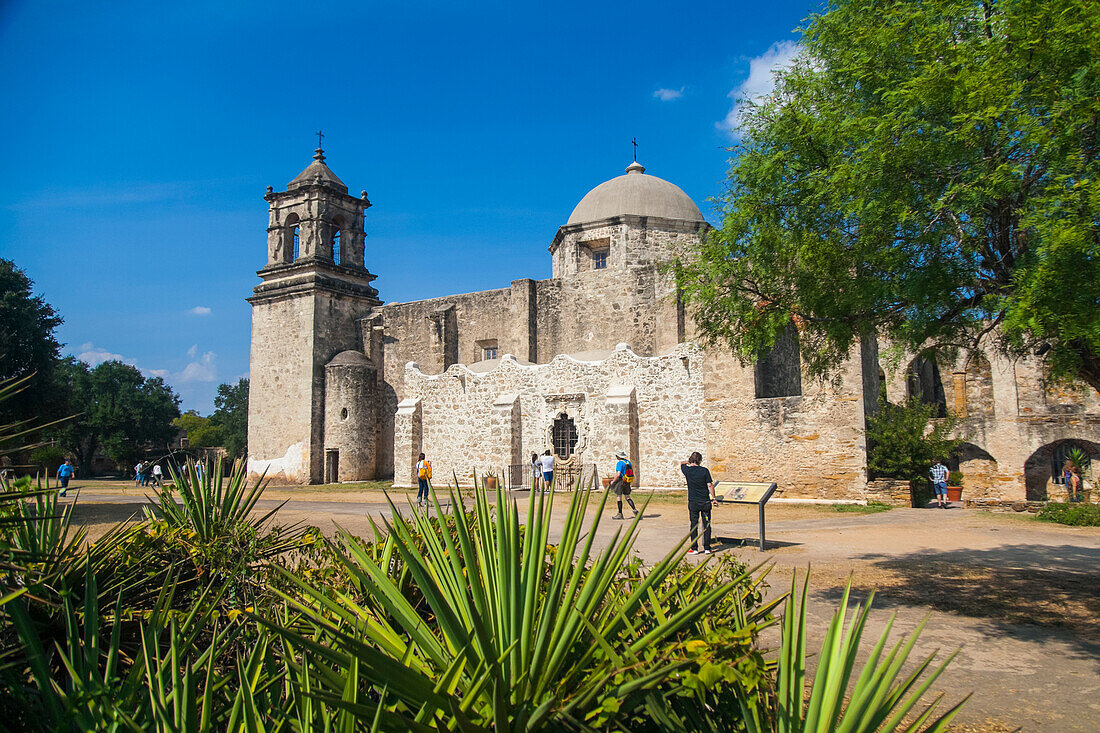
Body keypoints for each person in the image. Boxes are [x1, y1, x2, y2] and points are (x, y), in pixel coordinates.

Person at [680, 452, 717, 555]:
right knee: (707, 525)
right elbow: (709, 485)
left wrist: (690, 461)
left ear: (691, 460)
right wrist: (713, 498)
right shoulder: (704, 471)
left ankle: (694, 548)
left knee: (694, 524)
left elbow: (682, 463)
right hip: (705, 501)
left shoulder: (687, 470)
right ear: (700, 460)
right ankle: (707, 548)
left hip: (693, 502)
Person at [610, 449, 638, 520]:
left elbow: (618, 474)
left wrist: (613, 481)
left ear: (618, 456)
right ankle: (635, 510)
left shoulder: (619, 463)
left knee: (619, 497)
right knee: (627, 497)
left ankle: (620, 514)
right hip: (627, 481)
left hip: (621, 481)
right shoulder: (628, 462)